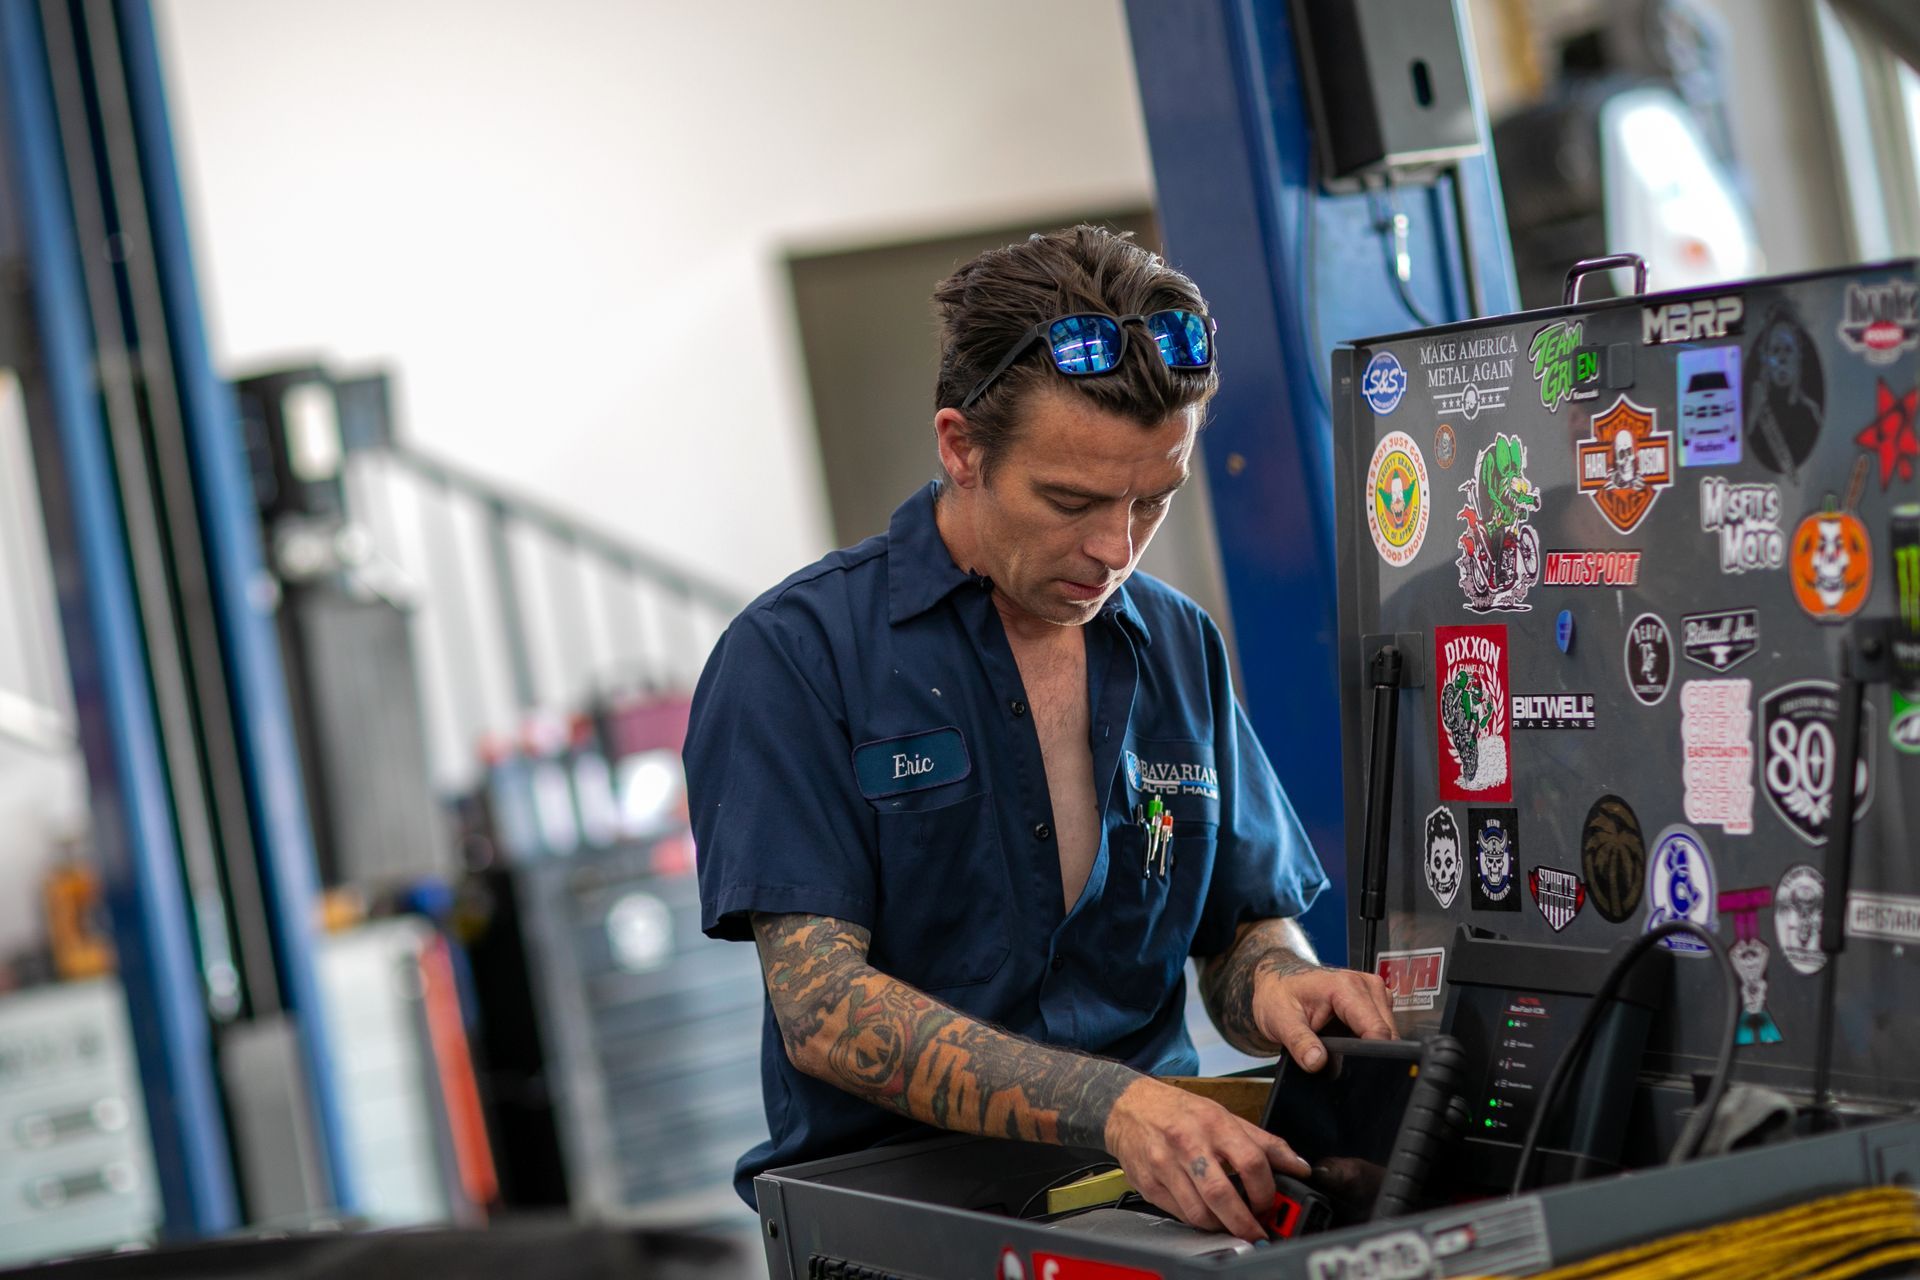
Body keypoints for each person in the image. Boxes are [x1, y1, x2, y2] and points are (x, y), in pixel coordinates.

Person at [685, 226, 1394, 1243]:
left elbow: (1240, 933)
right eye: (1070, 500)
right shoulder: (796, 658)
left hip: (1162, 1199)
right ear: (960, 446)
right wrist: (1114, 1103)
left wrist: (1285, 983)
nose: (1115, 547)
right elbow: (825, 1011)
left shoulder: (1179, 645)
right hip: (903, 1228)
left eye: (1153, 499)